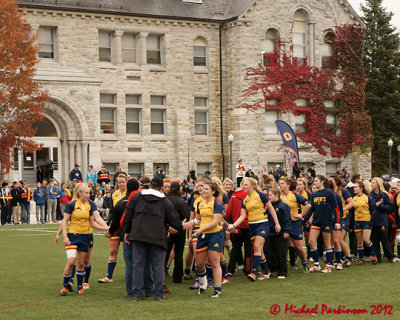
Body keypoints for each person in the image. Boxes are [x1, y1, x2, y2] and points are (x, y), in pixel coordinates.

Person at [123, 176, 183, 301]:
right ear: (161, 188)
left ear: (149, 185)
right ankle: (159, 294)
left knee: (138, 266)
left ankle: (137, 294)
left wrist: (127, 232)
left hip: (138, 235)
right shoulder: (165, 201)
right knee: (158, 267)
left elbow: (128, 214)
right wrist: (182, 225)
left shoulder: (137, 197)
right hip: (157, 236)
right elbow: (175, 221)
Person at [58, 183, 109, 296]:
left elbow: (93, 222)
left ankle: (80, 288)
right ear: (80, 193)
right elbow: (64, 221)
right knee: (71, 261)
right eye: (86, 193)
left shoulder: (89, 205)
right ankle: (64, 286)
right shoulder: (71, 204)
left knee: (81, 264)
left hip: (85, 236)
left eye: (89, 193)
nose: (89, 195)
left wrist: (106, 228)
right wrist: (64, 236)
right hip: (73, 236)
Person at [230, 177, 281, 281]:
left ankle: (253, 272)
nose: (244, 186)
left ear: (252, 185)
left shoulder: (261, 195)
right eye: (243, 184)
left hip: (262, 224)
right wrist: (233, 225)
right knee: (259, 250)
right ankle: (265, 273)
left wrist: (277, 223)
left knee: (257, 247)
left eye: (246, 184)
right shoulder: (244, 200)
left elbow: (271, 209)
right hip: (252, 226)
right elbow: (242, 216)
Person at [182, 180, 225, 297]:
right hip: (202, 235)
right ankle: (203, 284)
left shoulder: (218, 203)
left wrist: (200, 230)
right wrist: (188, 224)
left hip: (215, 234)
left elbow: (216, 222)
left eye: (206, 189)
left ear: (213, 191)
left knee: (214, 262)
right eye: (202, 188)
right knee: (199, 264)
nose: (203, 191)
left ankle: (217, 289)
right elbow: (198, 220)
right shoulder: (200, 203)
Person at [98, 174, 127, 283]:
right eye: (119, 182)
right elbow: (111, 211)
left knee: (127, 253)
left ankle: (131, 275)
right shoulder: (114, 194)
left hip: (126, 228)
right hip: (116, 228)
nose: (121, 184)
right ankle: (109, 276)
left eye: (123, 182)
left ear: (126, 182)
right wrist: (107, 224)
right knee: (112, 251)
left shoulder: (130, 194)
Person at [306, 175, 337, 273]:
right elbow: (311, 209)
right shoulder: (314, 194)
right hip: (316, 221)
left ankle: (329, 265)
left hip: (326, 221)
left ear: (322, 181)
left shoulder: (329, 192)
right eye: (314, 181)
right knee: (311, 241)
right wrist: (304, 220)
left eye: (316, 181)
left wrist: (335, 220)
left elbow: (335, 207)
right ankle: (316, 264)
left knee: (327, 243)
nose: (314, 182)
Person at [279, 177, 310, 272]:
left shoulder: (294, 196)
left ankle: (304, 263)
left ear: (288, 185)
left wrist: (300, 215)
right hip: (283, 224)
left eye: (282, 183)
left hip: (294, 223)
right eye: (279, 183)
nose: (280, 185)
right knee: (282, 246)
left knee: (299, 247)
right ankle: (282, 267)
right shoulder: (278, 196)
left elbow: (308, 205)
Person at [165, 182, 190, 283]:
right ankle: (177, 277)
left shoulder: (164, 200)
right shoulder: (181, 201)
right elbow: (186, 216)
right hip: (180, 229)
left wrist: (168, 227)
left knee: (165, 253)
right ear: (178, 190)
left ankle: (161, 274)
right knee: (179, 253)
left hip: (167, 230)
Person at [265, 187, 292, 279]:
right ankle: (273, 269)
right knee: (269, 252)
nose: (269, 197)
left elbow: (288, 220)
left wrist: (287, 231)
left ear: (277, 195)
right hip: (270, 233)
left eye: (271, 195)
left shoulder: (284, 206)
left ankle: (283, 272)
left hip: (281, 234)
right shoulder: (269, 207)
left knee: (281, 253)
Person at [225, 183, 251, 275]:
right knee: (248, 248)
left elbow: (228, 212)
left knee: (235, 247)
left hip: (236, 224)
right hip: (248, 224)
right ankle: (248, 268)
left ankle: (231, 269)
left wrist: (229, 224)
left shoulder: (233, 196)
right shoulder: (250, 195)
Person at [328, 175, 354, 267]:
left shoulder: (343, 191)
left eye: (331, 180)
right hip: (333, 218)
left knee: (339, 240)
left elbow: (351, 203)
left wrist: (343, 209)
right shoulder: (329, 192)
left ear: (336, 182)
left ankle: (349, 258)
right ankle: (338, 258)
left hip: (343, 217)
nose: (329, 182)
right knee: (333, 240)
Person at [353, 181, 378, 265]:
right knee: (359, 242)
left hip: (366, 221)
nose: (354, 188)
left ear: (361, 188)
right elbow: (352, 211)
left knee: (366, 240)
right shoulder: (354, 198)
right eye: (354, 187)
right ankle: (360, 259)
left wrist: (371, 222)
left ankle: (374, 256)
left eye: (356, 187)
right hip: (357, 221)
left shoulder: (368, 198)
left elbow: (373, 210)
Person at [370, 177, 394, 263]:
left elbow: (391, 208)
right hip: (373, 221)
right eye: (371, 183)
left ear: (378, 184)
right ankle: (378, 257)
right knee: (374, 240)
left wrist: (381, 206)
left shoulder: (384, 195)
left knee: (384, 240)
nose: (371, 184)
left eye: (373, 183)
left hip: (382, 221)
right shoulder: (370, 195)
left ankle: (390, 257)